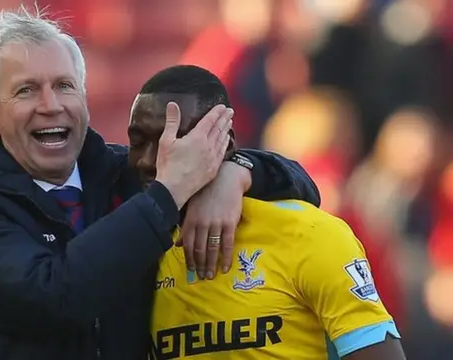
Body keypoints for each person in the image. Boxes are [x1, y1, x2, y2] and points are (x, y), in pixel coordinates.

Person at [0, 6, 320, 360]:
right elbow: (55, 298)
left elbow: (302, 186)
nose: (50, 105)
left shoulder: (118, 172)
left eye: (64, 86)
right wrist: (170, 193)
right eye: (26, 90)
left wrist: (233, 173)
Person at [127, 65, 405, 360]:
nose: (148, 160)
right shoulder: (134, 246)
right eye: (137, 142)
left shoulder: (306, 234)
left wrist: (237, 171)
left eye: (174, 141)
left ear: (226, 143)